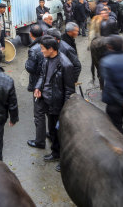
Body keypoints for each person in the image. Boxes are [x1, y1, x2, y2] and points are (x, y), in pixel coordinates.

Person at [34, 35, 75, 172]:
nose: (41, 51)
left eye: (42, 48)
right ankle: (55, 153)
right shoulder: (46, 60)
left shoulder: (65, 64)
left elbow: (69, 90)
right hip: (47, 102)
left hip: (59, 105)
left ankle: (65, 160)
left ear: (51, 49)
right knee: (52, 131)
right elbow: (42, 75)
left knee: (61, 134)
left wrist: (65, 110)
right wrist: (38, 87)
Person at [25, 25, 45, 149]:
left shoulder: (33, 49)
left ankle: (39, 141)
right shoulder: (47, 43)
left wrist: (26, 63)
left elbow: (30, 67)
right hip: (47, 82)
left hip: (38, 83)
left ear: (31, 35)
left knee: (39, 113)